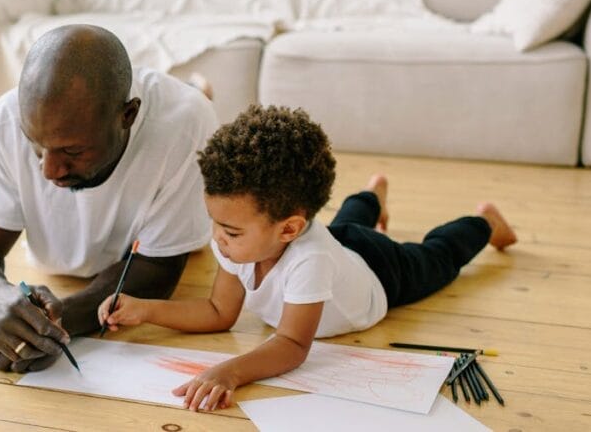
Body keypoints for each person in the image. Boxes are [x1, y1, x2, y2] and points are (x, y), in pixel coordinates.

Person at [98, 105, 517, 412]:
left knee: (436, 257)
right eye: (214, 222)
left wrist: (231, 371)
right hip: (340, 246)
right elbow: (217, 311)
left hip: (382, 272)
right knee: (349, 223)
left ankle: (483, 223)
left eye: (229, 231)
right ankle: (374, 195)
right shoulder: (240, 240)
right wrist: (145, 309)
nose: (217, 240)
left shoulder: (309, 259)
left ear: (288, 230)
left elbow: (294, 344)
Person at [0, 24, 219, 373]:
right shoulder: (5, 121)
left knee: (198, 119)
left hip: (181, 127)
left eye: (72, 151)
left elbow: (158, 269)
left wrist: (55, 325)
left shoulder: (187, 126)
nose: (48, 171)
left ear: (129, 116)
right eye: (36, 144)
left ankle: (200, 88)